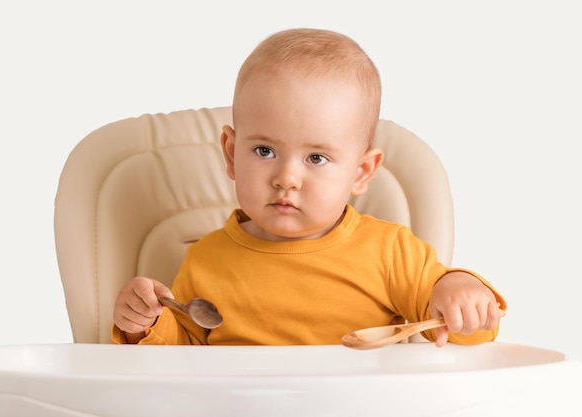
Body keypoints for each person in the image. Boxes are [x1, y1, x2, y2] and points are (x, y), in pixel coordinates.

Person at [112, 28, 506, 347]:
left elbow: (461, 330)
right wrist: (143, 326)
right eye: (264, 150)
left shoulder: (390, 252)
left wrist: (461, 292)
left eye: (316, 158)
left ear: (361, 172)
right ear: (231, 155)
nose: (287, 178)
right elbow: (181, 356)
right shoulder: (206, 259)